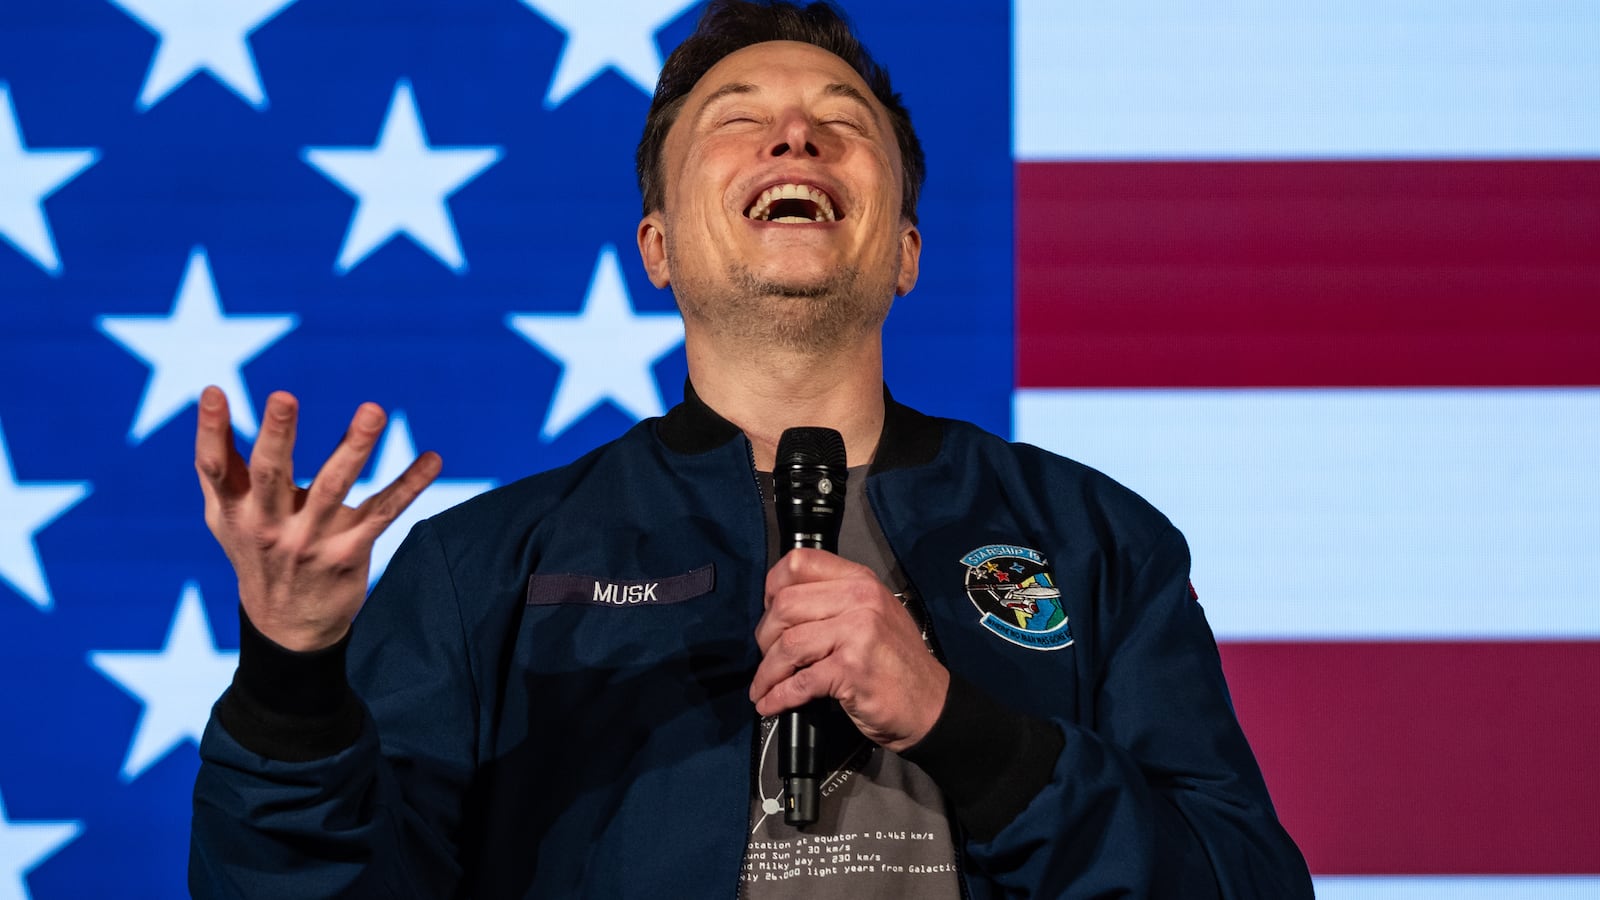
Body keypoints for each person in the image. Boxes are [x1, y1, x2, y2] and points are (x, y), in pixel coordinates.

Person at [188, 1, 1314, 897]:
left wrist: (960, 726)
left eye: (844, 120)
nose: (795, 134)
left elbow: (1244, 885)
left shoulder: (1093, 540)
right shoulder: (482, 568)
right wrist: (290, 679)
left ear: (907, 252)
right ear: (659, 248)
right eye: (736, 116)